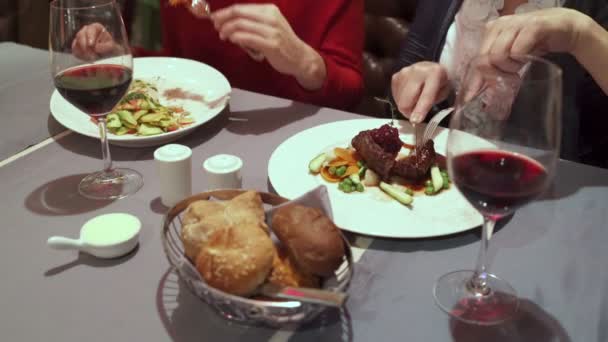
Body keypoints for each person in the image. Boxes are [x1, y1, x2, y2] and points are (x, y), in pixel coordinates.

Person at [391, 0, 608, 166]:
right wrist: (414, 84)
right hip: (447, 188)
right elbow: (401, 84)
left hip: (555, 203)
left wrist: (580, 34)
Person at [73, 0, 364, 111]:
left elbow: (351, 94)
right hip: (187, 136)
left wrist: (305, 62)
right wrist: (121, 57)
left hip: (292, 144)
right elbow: (182, 63)